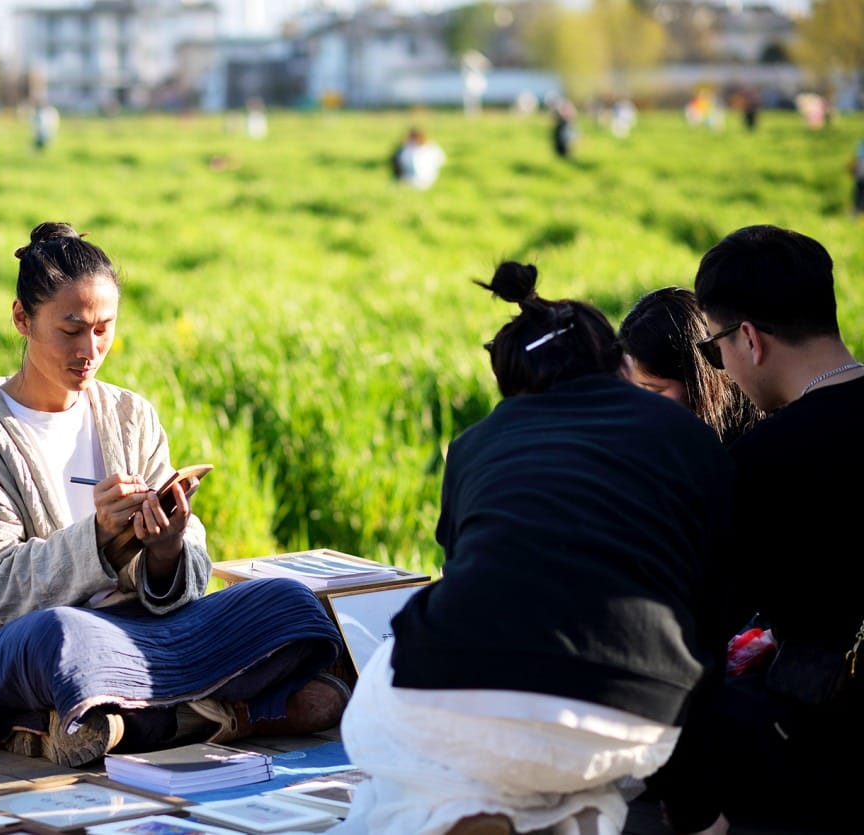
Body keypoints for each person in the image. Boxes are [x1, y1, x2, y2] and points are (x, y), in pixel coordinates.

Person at [0, 222, 348, 768]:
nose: (90, 350)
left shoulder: (129, 415)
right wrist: (98, 538)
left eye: (104, 329)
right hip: (11, 642)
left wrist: (167, 548)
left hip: (140, 634)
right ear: (22, 319)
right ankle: (220, 711)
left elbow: (188, 574)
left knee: (292, 607)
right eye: (71, 330)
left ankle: (122, 719)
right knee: (60, 639)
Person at [328, 261, 734, 835]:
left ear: (510, 386)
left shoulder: (474, 445)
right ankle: (508, 809)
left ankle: (469, 809)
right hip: (629, 714)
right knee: (581, 762)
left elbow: (464, 577)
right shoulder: (689, 436)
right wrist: (696, 810)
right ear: (620, 365)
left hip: (457, 695)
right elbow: (705, 622)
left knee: (396, 725)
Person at [647, 225, 864, 833]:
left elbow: (688, 645)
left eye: (715, 349)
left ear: (748, 338)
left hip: (821, 758)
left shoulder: (764, 460)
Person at [617, 286, 760, 446]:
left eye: (654, 390)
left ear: (701, 382)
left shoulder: (750, 446)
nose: (636, 404)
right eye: (629, 388)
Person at [849, 138, 864, 218]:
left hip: (860, 173)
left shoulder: (861, 144)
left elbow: (857, 158)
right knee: (859, 194)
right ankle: (856, 213)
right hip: (861, 173)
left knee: (859, 194)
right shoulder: (861, 144)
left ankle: (856, 213)